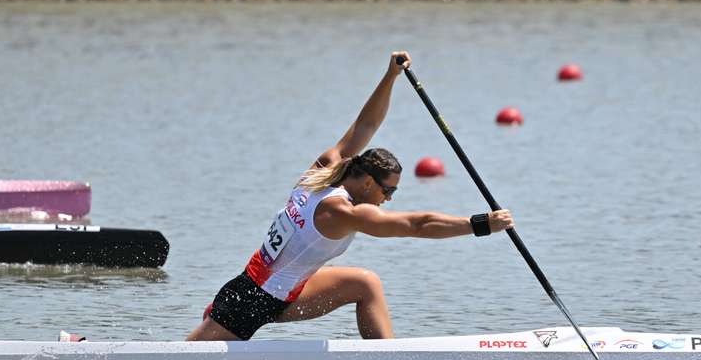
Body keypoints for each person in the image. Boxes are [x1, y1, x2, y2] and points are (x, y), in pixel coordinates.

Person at [187, 51, 514, 342]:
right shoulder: (341, 210)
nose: (388, 199)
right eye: (389, 191)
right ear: (369, 183)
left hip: (279, 291)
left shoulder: (323, 169)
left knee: (365, 283)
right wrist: (481, 224)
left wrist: (391, 77)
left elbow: (365, 124)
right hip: (250, 301)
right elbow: (417, 225)